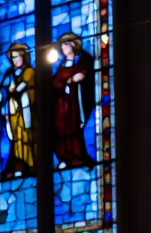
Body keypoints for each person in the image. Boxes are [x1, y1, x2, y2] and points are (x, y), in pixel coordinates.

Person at [52, 33, 97, 169]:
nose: (64, 47)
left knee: (74, 129)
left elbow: (86, 74)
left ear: (73, 45)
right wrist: (67, 82)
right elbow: (55, 83)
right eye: (62, 45)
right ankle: (64, 157)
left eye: (66, 44)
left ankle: (77, 157)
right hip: (61, 105)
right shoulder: (62, 66)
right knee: (61, 130)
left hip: (75, 104)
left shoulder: (81, 62)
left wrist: (80, 77)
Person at [0, 43, 36, 177]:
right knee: (16, 139)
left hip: (27, 113)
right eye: (12, 58)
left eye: (16, 57)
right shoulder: (11, 74)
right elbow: (4, 89)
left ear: (23, 57)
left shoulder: (29, 72)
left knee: (25, 137)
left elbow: (23, 87)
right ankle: (18, 164)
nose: (14, 61)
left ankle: (29, 164)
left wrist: (14, 90)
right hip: (13, 112)